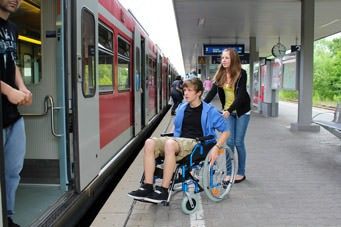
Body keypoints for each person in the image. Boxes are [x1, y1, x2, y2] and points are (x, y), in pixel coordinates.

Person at [128, 77, 230, 203]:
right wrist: (166, 140)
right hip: (178, 142)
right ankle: (147, 186)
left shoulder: (210, 111)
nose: (185, 93)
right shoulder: (182, 108)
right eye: (185, 90)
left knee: (170, 144)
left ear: (198, 93)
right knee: (149, 142)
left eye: (190, 90)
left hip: (198, 144)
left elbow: (226, 131)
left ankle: (164, 190)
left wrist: (217, 147)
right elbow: (176, 127)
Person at [0, 0, 32, 226]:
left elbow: (13, 61)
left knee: (13, 171)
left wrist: (21, 86)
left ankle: (7, 216)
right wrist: (7, 90)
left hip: (12, 114)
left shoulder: (11, 28)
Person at [204, 48, 251, 184]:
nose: (223, 60)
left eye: (227, 58)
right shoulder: (220, 74)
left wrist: (230, 110)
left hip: (242, 111)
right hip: (228, 112)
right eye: (222, 58)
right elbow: (212, 92)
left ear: (233, 59)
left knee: (238, 142)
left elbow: (241, 95)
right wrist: (201, 105)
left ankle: (241, 172)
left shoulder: (242, 73)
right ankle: (229, 173)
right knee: (229, 142)